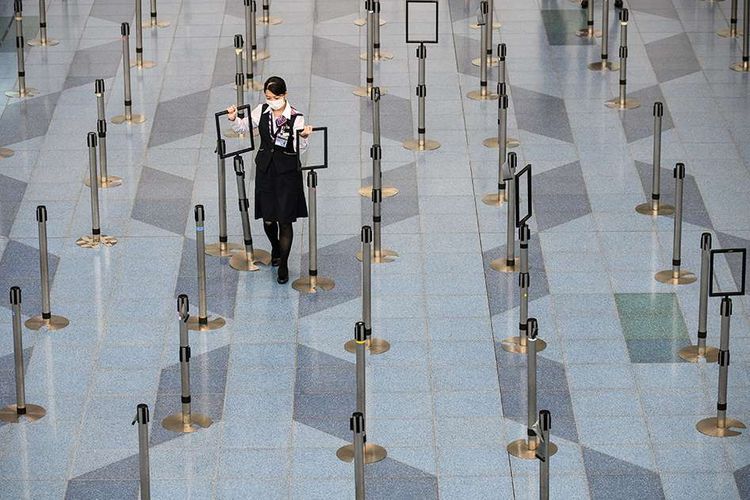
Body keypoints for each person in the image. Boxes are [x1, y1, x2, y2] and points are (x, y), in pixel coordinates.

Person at [227, 76, 312, 284]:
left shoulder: (295, 117)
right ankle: (275, 246)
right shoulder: (261, 111)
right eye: (268, 97)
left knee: (285, 220)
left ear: (284, 95)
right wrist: (234, 119)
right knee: (268, 218)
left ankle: (283, 263)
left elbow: (300, 149)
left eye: (275, 97)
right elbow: (244, 127)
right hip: (266, 170)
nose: (271, 100)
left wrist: (303, 138)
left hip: (287, 174)